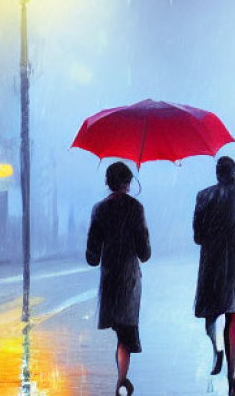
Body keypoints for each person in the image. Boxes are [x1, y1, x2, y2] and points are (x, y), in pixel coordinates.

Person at [193, 156, 235, 396]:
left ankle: (217, 348)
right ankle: (232, 372)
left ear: (217, 174)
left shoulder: (203, 196)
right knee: (234, 315)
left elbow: (197, 235)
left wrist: (212, 238)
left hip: (211, 259)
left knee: (210, 311)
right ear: (234, 173)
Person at [86, 162, 151, 396]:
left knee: (121, 332)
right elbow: (145, 253)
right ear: (128, 183)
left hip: (110, 277)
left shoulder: (99, 210)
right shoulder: (136, 209)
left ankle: (122, 379)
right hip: (129, 279)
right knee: (126, 331)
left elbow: (92, 256)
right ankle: (122, 379)